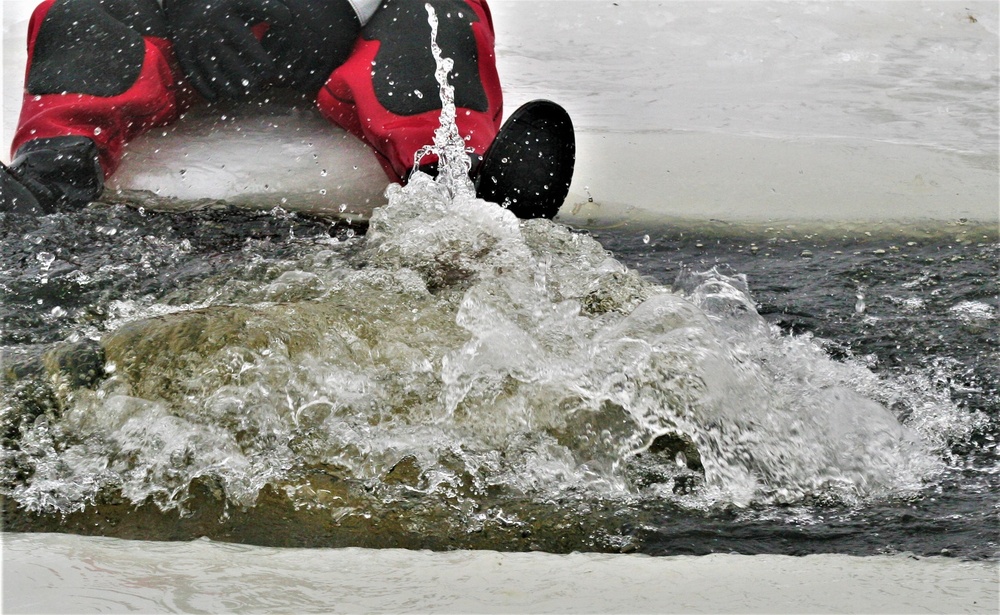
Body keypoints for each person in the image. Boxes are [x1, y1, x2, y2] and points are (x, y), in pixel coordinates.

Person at [1, 0, 574, 219]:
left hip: (351, 32)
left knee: (433, 21)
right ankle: (49, 177)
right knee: (78, 19)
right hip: (200, 37)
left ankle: (458, 184)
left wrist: (340, 8)